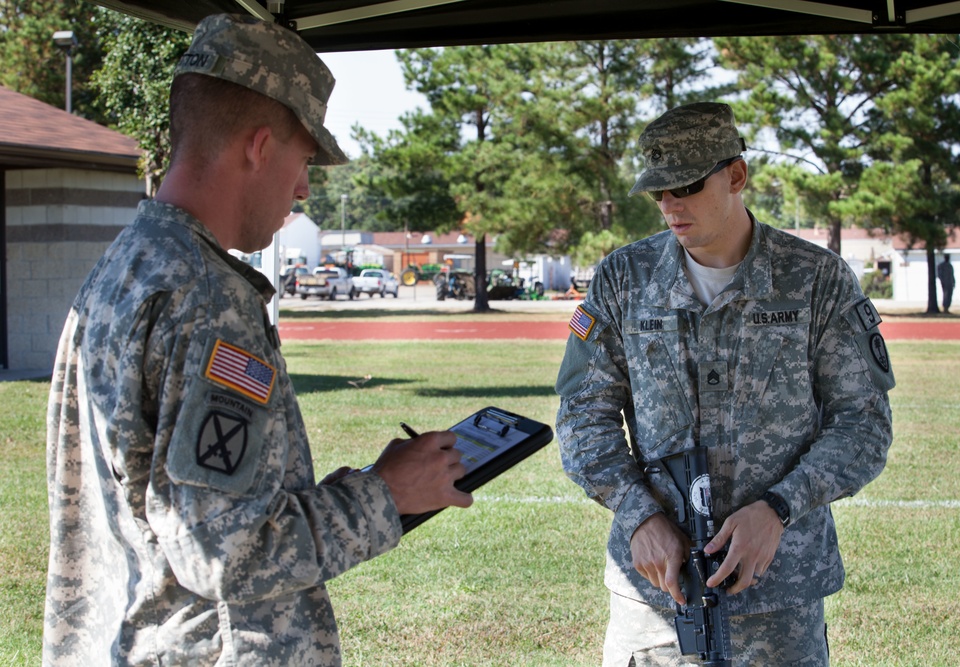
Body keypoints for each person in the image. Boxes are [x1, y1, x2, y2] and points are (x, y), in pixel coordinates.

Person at [43, 14, 471, 666]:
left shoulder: (126, 266)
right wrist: (385, 494)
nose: (302, 189)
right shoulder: (208, 298)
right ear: (259, 145)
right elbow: (226, 549)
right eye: (304, 162)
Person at [555, 102, 895, 667]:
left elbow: (864, 423)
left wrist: (779, 509)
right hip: (656, 596)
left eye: (685, 186)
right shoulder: (623, 280)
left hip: (779, 594)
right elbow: (582, 416)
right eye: (657, 192)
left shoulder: (815, 280)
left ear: (736, 176)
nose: (669, 205)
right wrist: (639, 515)